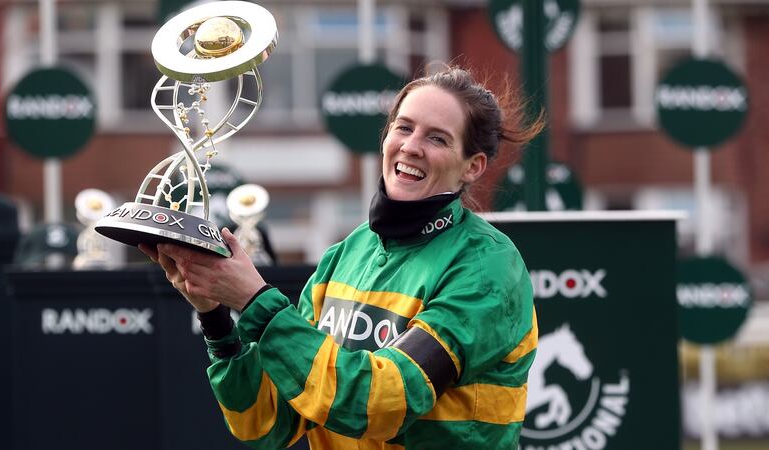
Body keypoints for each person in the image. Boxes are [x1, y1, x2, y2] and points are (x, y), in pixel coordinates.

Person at [141, 66, 541, 449]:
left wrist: (254, 301)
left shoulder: (486, 266)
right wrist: (215, 318)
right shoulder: (348, 253)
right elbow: (266, 423)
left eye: (437, 138)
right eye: (403, 127)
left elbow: (381, 404)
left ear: (473, 166)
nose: (411, 146)